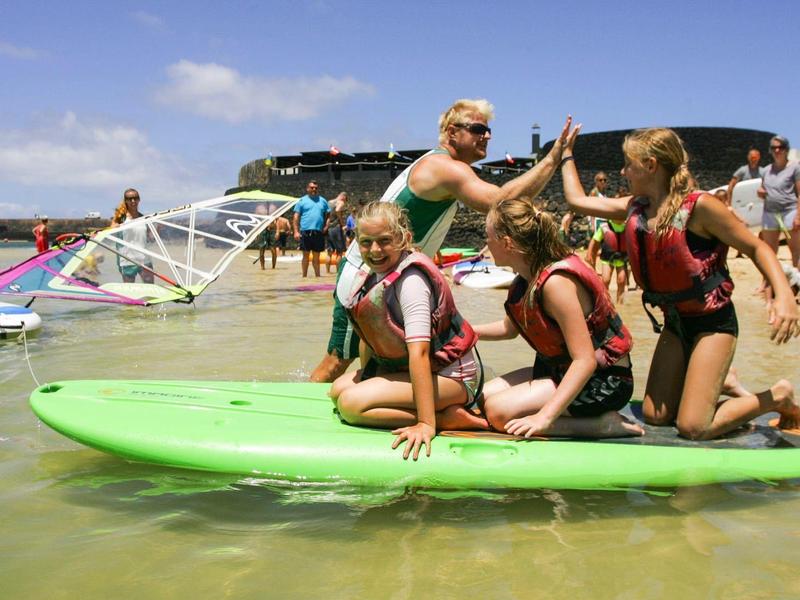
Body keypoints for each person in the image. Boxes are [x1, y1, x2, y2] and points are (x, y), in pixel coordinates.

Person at [310, 99, 576, 382]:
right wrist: (552, 159)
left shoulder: (439, 164)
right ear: (452, 132)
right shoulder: (445, 167)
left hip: (383, 274)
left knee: (377, 359)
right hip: (364, 273)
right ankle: (301, 403)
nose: (487, 136)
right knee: (337, 360)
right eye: (478, 129)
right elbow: (500, 202)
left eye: (488, 130)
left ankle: (358, 398)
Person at [561, 125, 800, 440]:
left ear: (650, 165)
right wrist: (565, 154)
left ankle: (777, 395)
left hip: (713, 324)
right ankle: (721, 382)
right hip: (675, 322)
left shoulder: (700, 207)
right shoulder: (634, 208)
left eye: (628, 163)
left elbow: (757, 248)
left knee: (694, 427)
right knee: (656, 416)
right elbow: (576, 200)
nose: (623, 171)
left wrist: (784, 296)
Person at [473, 197, 643, 438]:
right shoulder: (524, 279)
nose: (486, 243)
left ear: (507, 243)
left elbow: (585, 360)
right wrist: (463, 331)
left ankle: (602, 425)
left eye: (488, 237)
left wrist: (544, 417)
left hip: (603, 382)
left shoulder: (556, 284)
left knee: (498, 414)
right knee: (481, 398)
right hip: (558, 371)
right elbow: (508, 329)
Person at [329, 202, 487, 459]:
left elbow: (420, 353)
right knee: (337, 390)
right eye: (366, 242)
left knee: (350, 405)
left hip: (454, 377)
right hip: (424, 370)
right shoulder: (374, 274)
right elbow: (370, 335)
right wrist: (371, 379)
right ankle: (435, 410)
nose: (375, 250)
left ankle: (445, 418)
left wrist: (425, 424)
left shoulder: (411, 281)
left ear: (404, 239)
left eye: (384, 240)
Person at [758, 136, 800, 270]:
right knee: (769, 251)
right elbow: (762, 189)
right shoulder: (766, 170)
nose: (777, 150)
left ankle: (798, 279)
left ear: (786, 149)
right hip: (770, 213)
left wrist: (798, 216)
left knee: (796, 250)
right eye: (774, 147)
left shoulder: (795, 168)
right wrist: (760, 192)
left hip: (789, 212)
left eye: (780, 147)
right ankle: (768, 281)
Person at [110, 188, 154, 284]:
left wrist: (158, 229)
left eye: (135, 198)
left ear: (139, 199)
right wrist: (115, 226)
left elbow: (151, 239)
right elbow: (112, 228)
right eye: (130, 199)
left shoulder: (144, 218)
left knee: (150, 288)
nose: (133, 201)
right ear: (125, 201)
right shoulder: (121, 218)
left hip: (144, 259)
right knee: (129, 290)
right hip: (127, 259)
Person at [586, 219, 629, 304]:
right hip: (607, 258)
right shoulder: (604, 227)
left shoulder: (627, 227)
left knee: (621, 280)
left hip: (622, 258)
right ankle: (605, 302)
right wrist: (589, 253)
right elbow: (594, 240)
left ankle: (620, 303)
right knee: (605, 280)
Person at [293, 181, 330, 278]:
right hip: (305, 231)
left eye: (316, 188)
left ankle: (318, 277)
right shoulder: (302, 201)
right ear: (307, 189)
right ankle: (304, 277)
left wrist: (326, 226)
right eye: (312, 187)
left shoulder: (323, 201)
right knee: (305, 256)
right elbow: (296, 217)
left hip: (318, 232)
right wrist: (296, 231)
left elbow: (328, 215)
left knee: (317, 257)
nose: (314, 189)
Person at [326, 192, 348, 273]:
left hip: (329, 228)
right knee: (339, 252)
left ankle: (328, 271)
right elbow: (338, 210)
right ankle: (338, 272)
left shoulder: (329, 202)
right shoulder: (340, 202)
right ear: (343, 197)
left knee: (329, 252)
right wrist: (341, 222)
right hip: (336, 228)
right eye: (346, 200)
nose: (345, 202)